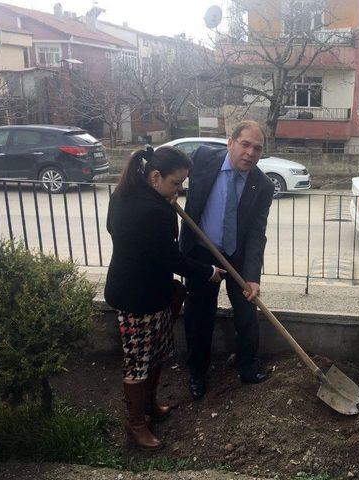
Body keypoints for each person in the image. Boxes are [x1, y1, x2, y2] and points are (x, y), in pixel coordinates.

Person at [105, 146, 225, 449]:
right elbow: (173, 258)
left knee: (156, 354)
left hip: (150, 290)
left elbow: (114, 229)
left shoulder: (122, 196)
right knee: (139, 362)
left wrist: (166, 205)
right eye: (176, 183)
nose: (180, 189)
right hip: (138, 298)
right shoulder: (154, 210)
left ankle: (150, 407)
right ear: (155, 176)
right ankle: (135, 424)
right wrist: (208, 271)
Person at [180, 120, 275, 400]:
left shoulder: (262, 185)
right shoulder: (203, 159)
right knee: (198, 315)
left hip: (237, 256)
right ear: (230, 142)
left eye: (257, 148)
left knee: (247, 313)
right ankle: (197, 372)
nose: (250, 153)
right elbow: (170, 169)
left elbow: (257, 233)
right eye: (245, 144)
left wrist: (252, 276)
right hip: (201, 252)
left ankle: (248, 367)